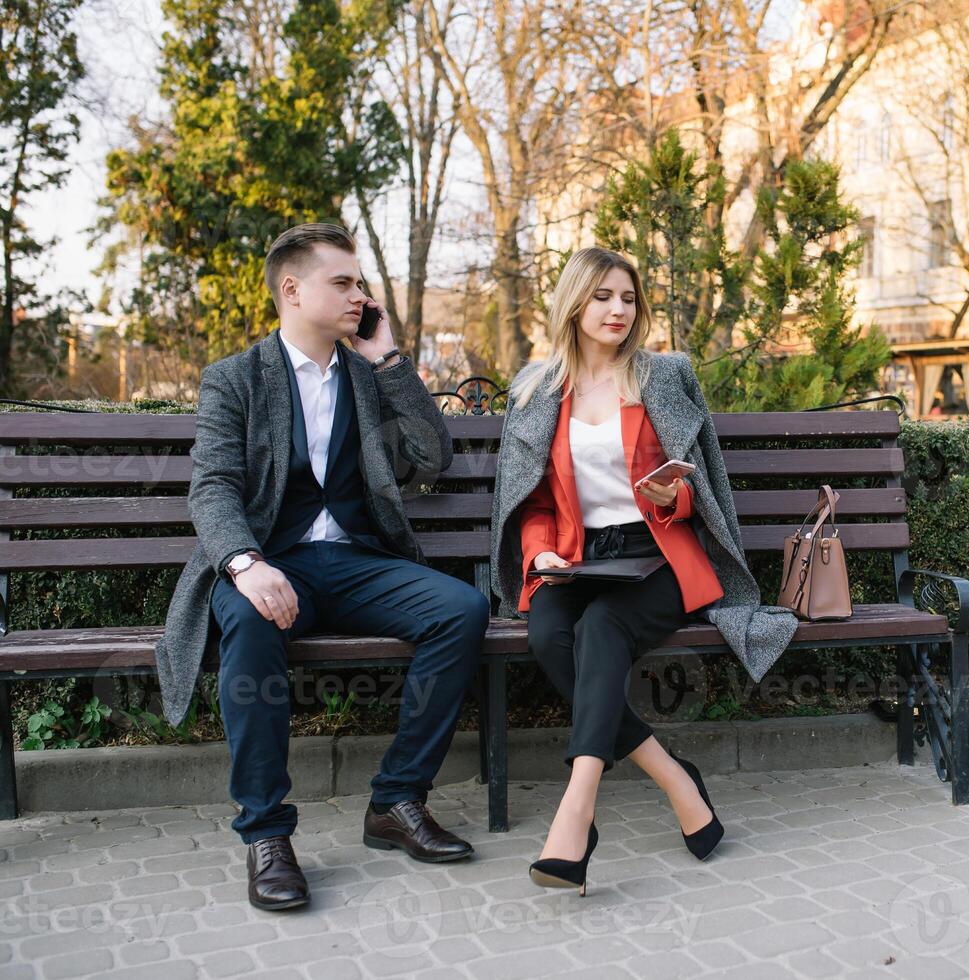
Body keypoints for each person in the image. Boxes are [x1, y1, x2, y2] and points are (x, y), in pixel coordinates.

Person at [154, 223, 491, 912]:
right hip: (271, 564)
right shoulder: (235, 379)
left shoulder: (369, 378)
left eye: (359, 284)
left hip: (358, 562)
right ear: (292, 290)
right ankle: (267, 834)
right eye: (343, 283)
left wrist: (392, 359)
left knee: (461, 611)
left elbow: (434, 457)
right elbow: (212, 486)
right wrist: (244, 563)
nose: (358, 296)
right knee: (249, 623)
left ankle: (397, 800)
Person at [488, 246, 798, 896]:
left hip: (656, 556)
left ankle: (578, 812)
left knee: (602, 630)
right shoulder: (538, 388)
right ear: (574, 302)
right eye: (603, 296)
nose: (618, 310)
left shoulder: (663, 376)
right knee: (549, 635)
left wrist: (672, 497)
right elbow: (534, 500)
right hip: (573, 557)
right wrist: (539, 551)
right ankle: (674, 777)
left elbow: (703, 486)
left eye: (628, 298)